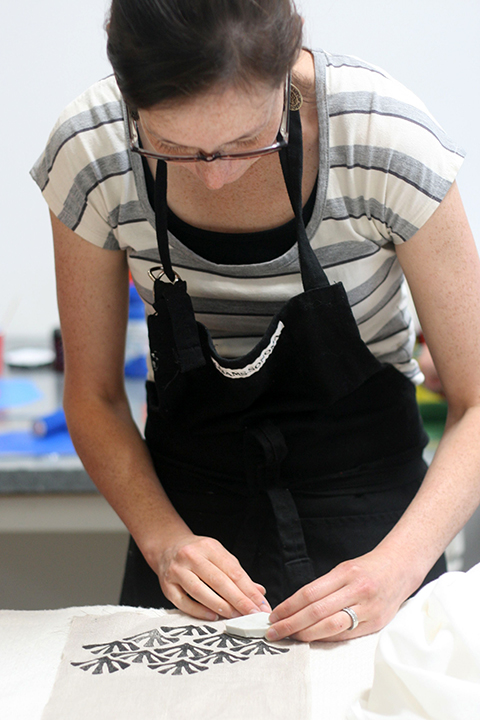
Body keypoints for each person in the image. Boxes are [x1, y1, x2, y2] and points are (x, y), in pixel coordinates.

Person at [31, 0, 480, 643]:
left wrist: (397, 568)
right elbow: (94, 395)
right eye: (173, 148)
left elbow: (478, 399)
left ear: (287, 69)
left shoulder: (383, 139)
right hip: (190, 534)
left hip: (376, 530)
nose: (216, 177)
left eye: (247, 141)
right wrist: (164, 543)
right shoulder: (93, 149)